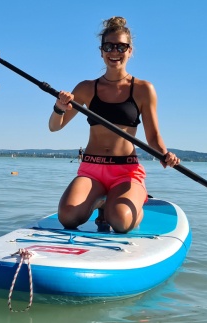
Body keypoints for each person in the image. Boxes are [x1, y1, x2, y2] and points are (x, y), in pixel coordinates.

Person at [48, 16, 180, 234]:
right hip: (92, 170)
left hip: (125, 171)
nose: (114, 52)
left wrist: (165, 154)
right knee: (68, 218)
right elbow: (55, 126)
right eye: (108, 46)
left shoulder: (143, 89)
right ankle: (102, 202)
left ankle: (130, 201)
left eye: (121, 46)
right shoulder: (86, 88)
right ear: (101, 51)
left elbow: (153, 137)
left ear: (130, 51)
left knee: (120, 222)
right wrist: (59, 106)